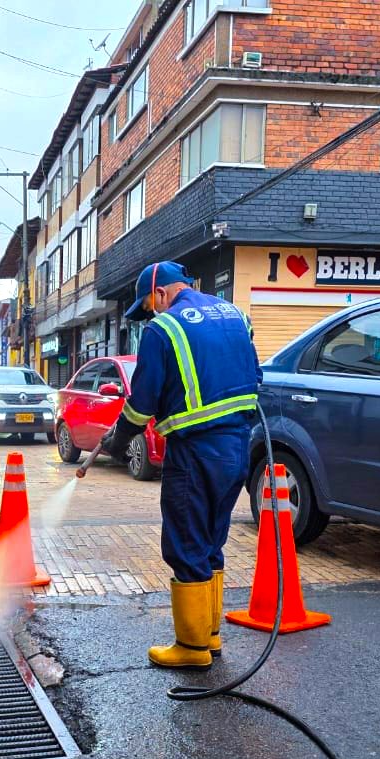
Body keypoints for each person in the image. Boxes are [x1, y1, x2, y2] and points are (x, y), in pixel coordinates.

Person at [102, 261, 263, 669]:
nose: (151, 314)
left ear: (159, 293)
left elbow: (143, 402)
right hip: (238, 448)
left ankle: (191, 649)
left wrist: (118, 438)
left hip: (194, 451)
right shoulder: (236, 316)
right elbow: (255, 374)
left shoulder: (163, 329)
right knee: (211, 540)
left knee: (185, 542)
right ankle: (209, 636)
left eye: (149, 305)